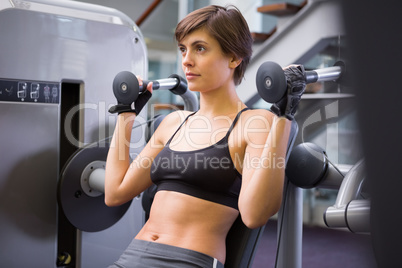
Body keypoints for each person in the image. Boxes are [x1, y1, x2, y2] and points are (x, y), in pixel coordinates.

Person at [105, 4, 306, 268]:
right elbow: (115, 193)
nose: (187, 59)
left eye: (200, 48)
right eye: (183, 49)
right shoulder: (174, 122)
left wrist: (283, 115)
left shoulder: (253, 123)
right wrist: (126, 114)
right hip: (132, 256)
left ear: (233, 58)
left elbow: (254, 214)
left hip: (188, 261)